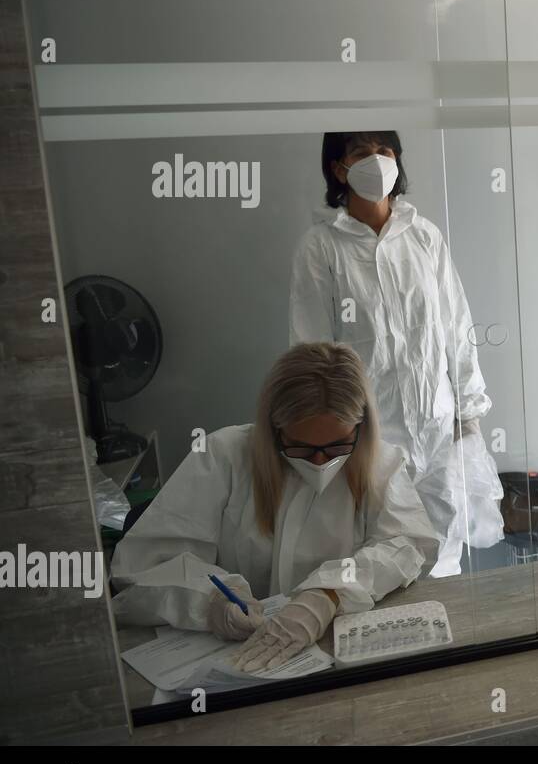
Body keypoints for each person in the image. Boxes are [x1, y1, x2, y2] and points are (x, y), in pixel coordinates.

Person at [111, 342, 437, 671]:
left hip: (334, 654)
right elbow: (141, 565)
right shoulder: (221, 456)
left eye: (337, 445)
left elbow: (409, 544)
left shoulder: (381, 463)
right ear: (274, 429)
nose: (320, 462)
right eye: (301, 447)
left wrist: (329, 595)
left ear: (361, 429)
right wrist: (211, 603)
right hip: (232, 655)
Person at [290, 131, 502, 578]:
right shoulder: (322, 246)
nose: (376, 161)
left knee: (444, 556)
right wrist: (332, 441)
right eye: (360, 153)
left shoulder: (423, 237)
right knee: (381, 560)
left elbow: (456, 327)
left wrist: (469, 413)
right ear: (338, 167)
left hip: (439, 429)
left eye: (384, 151)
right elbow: (313, 356)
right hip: (372, 440)